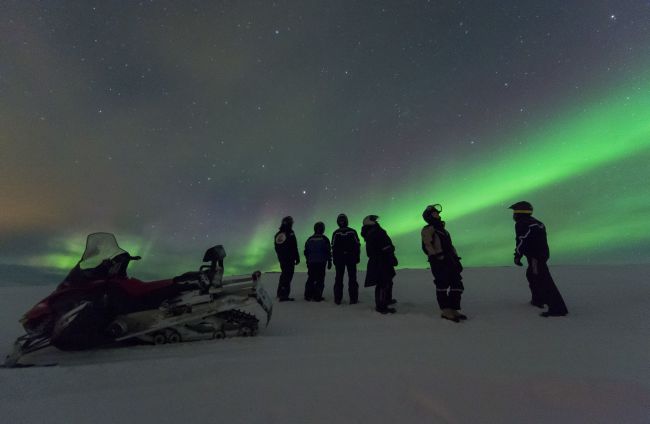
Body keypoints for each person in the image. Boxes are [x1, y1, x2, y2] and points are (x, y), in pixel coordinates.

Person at [509, 201, 568, 317]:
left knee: (543, 279)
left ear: (519, 213)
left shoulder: (522, 224)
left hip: (535, 257)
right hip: (541, 255)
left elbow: (521, 240)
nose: (513, 215)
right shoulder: (537, 223)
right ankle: (538, 299)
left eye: (514, 212)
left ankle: (558, 308)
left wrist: (517, 255)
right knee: (532, 275)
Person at [421, 204, 466, 322]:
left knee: (457, 284)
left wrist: (456, 258)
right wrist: (436, 256)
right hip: (439, 261)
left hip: (450, 260)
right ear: (429, 216)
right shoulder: (428, 229)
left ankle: (453, 308)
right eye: (435, 213)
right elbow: (427, 245)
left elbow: (450, 246)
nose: (438, 215)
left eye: (437, 213)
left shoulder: (443, 230)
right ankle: (446, 310)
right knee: (442, 284)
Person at [360, 215, 398, 314]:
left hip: (383, 259)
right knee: (382, 283)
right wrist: (388, 250)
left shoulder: (374, 231)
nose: (376, 221)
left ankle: (386, 300)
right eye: (373, 220)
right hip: (380, 260)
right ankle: (381, 306)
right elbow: (379, 247)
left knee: (387, 281)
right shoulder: (374, 232)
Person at [331, 213, 360, 305]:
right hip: (350, 258)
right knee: (352, 278)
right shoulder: (352, 231)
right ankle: (353, 299)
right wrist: (357, 256)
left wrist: (334, 259)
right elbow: (357, 245)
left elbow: (333, 247)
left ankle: (338, 299)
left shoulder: (336, 232)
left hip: (340, 259)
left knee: (339, 278)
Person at [303, 221, 332, 302]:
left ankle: (308, 295)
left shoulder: (309, 239)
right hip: (321, 263)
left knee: (311, 278)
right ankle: (317, 296)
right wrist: (329, 261)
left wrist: (307, 261)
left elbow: (306, 252)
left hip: (311, 262)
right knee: (320, 279)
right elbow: (328, 251)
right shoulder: (325, 239)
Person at [274, 216, 300, 301]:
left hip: (284, 259)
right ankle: (283, 295)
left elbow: (278, 248)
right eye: (291, 223)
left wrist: (282, 257)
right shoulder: (290, 233)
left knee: (284, 275)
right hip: (288, 259)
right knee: (287, 276)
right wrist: (296, 257)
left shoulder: (279, 234)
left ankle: (280, 293)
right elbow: (294, 246)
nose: (292, 224)